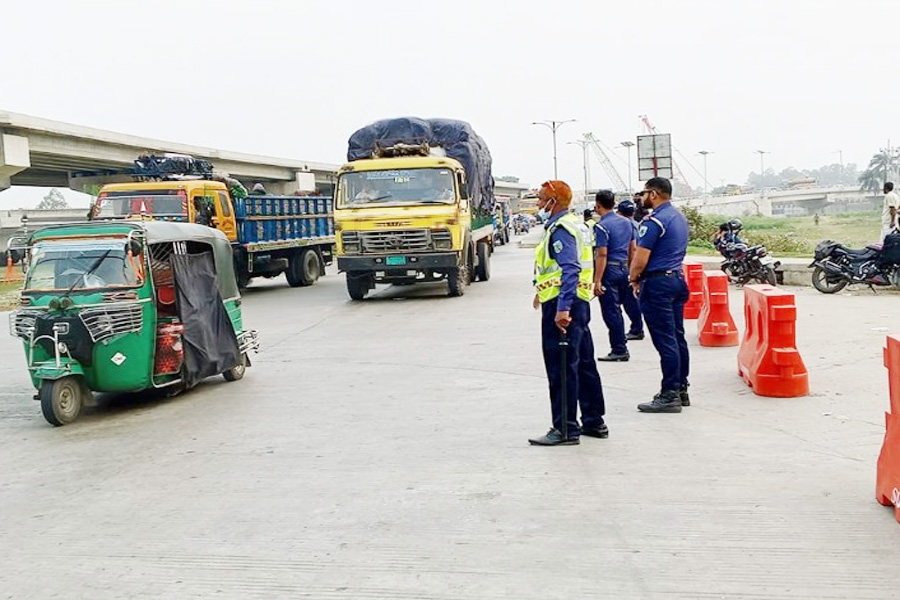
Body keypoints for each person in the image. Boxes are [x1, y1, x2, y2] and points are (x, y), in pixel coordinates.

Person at [529, 180, 607, 446]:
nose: (538, 204)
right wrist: (542, 289)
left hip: (565, 306)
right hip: (579, 302)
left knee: (561, 367)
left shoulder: (561, 229)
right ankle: (594, 421)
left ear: (553, 201)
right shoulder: (578, 224)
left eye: (540, 199)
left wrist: (561, 308)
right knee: (584, 362)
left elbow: (570, 267)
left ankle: (564, 428)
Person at [628, 177, 690, 413]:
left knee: (665, 340)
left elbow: (640, 258)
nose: (641, 198)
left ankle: (669, 393)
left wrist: (633, 278)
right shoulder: (678, 217)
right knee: (677, 336)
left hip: (657, 284)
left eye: (643, 193)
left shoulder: (653, 221)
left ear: (653, 194)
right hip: (676, 279)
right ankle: (681, 387)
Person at [593, 190, 635, 362]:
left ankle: (619, 349)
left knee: (612, 312)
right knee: (622, 308)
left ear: (597, 205)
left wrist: (597, 280)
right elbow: (632, 248)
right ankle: (622, 342)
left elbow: (602, 254)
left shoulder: (601, 226)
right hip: (624, 268)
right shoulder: (627, 222)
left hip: (609, 271)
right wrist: (631, 271)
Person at [616, 199, 644, 341]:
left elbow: (632, 249)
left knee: (630, 301)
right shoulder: (638, 225)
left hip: (632, 266)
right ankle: (637, 327)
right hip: (642, 264)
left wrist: (631, 271)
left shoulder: (625, 225)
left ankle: (637, 329)